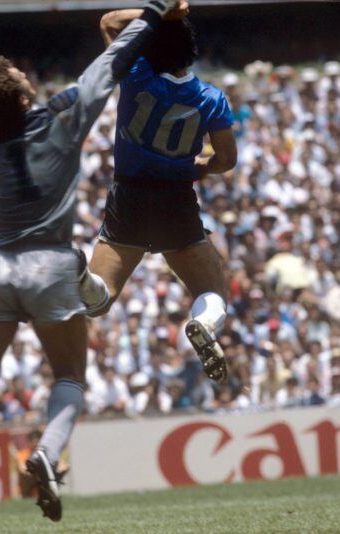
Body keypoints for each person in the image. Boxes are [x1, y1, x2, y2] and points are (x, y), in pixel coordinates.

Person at [0, 2, 183, 531]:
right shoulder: (61, 119)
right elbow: (110, 64)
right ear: (20, 96)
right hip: (52, 264)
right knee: (70, 376)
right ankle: (47, 453)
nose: (27, 75)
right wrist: (155, 10)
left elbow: (5, 113)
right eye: (20, 76)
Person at [88, 5, 237, 383]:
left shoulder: (135, 74)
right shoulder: (211, 99)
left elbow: (108, 22)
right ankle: (203, 323)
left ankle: (78, 275)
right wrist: (200, 166)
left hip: (129, 197)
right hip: (176, 200)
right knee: (211, 288)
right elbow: (227, 159)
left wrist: (160, 9)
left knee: (99, 299)